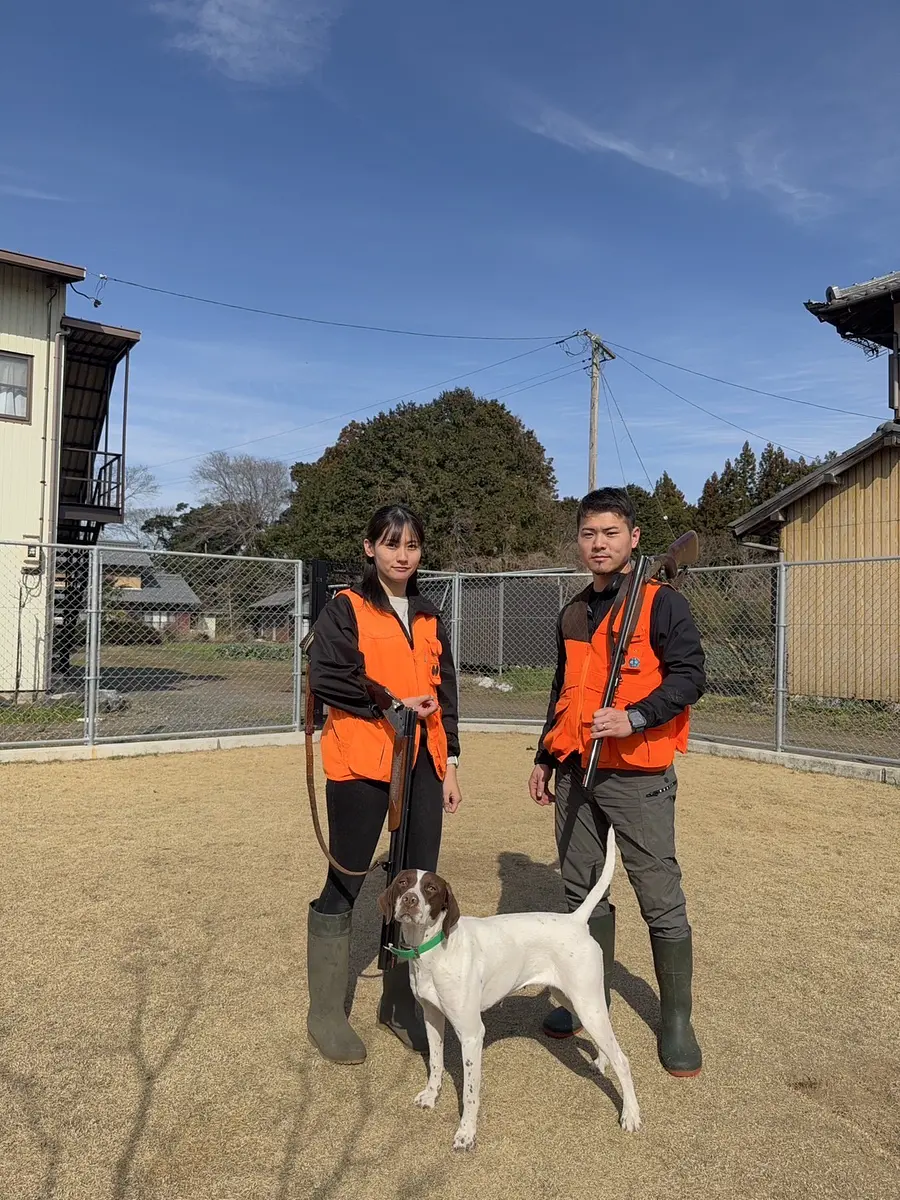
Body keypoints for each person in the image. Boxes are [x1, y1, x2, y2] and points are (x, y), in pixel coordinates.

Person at [528, 487, 706, 1077]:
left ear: (632, 538)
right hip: (578, 770)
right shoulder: (574, 611)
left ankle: (676, 1020)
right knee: (581, 892)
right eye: (588, 533)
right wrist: (545, 756)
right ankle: (590, 997)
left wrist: (634, 716)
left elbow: (689, 678)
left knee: (659, 895)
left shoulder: (661, 604)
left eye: (610, 533)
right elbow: (564, 690)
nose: (598, 543)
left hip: (639, 774)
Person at [305, 504, 463, 1065]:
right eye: (392, 543)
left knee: (414, 882)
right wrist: (392, 702)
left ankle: (400, 1002)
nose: (403, 554)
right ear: (370, 547)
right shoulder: (345, 608)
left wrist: (453, 763)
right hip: (362, 760)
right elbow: (328, 677)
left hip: (423, 761)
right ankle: (325, 1012)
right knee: (347, 879)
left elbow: (444, 695)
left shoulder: (428, 615)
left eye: (413, 545)